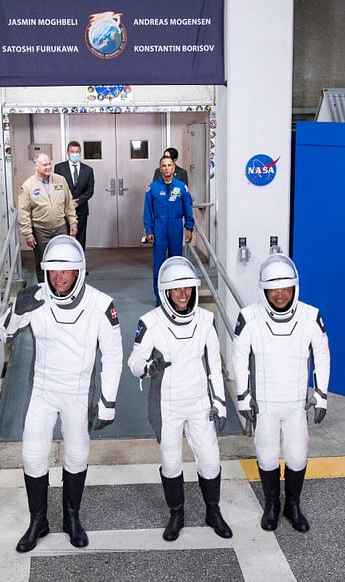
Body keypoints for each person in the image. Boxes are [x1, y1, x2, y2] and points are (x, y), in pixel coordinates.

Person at [0, 235, 123, 552]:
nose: (59, 277)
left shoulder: (101, 304)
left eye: (65, 271)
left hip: (78, 393)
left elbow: (114, 354)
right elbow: (1, 332)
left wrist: (108, 401)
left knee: (78, 453)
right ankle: (38, 520)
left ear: (79, 271)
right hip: (42, 391)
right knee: (32, 455)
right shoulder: (35, 298)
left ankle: (71, 518)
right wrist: (16, 312)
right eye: (53, 271)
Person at [127, 257, 232, 542]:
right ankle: (177, 514)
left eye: (187, 287)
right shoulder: (150, 323)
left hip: (199, 403)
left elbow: (214, 365)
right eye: (177, 289)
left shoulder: (205, 320)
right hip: (167, 405)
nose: (183, 294)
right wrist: (149, 367)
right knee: (171, 462)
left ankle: (213, 511)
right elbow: (133, 362)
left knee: (210, 461)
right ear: (166, 292)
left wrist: (220, 403)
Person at [232, 253, 330, 533]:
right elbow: (239, 357)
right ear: (264, 289)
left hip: (296, 403)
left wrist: (321, 394)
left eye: (286, 288)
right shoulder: (249, 317)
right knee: (267, 456)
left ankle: (293, 505)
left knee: (298, 456)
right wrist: (243, 395)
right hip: (264, 404)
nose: (280, 294)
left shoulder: (311, 316)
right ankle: (272, 505)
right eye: (274, 288)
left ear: (295, 287)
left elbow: (322, 356)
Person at [19, 152, 78, 282]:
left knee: (62, 259)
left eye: (49, 164)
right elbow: (24, 212)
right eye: (45, 165)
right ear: (36, 166)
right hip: (41, 231)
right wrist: (28, 234)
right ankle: (44, 289)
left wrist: (73, 223)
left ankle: (62, 287)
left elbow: (69, 203)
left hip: (60, 228)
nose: (48, 167)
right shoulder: (28, 185)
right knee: (43, 262)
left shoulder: (60, 180)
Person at [144, 155, 195, 304]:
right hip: (159, 230)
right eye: (164, 166)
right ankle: (159, 298)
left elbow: (187, 209)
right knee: (158, 266)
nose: (167, 168)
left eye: (169, 165)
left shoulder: (181, 187)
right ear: (160, 169)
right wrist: (149, 230)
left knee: (176, 264)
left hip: (175, 229)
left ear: (174, 168)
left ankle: (175, 297)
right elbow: (147, 211)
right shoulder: (153, 188)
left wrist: (189, 228)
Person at [54, 141, 95, 251]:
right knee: (64, 238)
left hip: (81, 209)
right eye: (72, 152)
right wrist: (68, 202)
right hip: (63, 210)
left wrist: (78, 202)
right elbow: (56, 188)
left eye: (77, 152)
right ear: (68, 152)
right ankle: (67, 265)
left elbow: (90, 190)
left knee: (80, 238)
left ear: (80, 152)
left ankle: (80, 265)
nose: (75, 154)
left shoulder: (88, 170)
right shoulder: (59, 168)